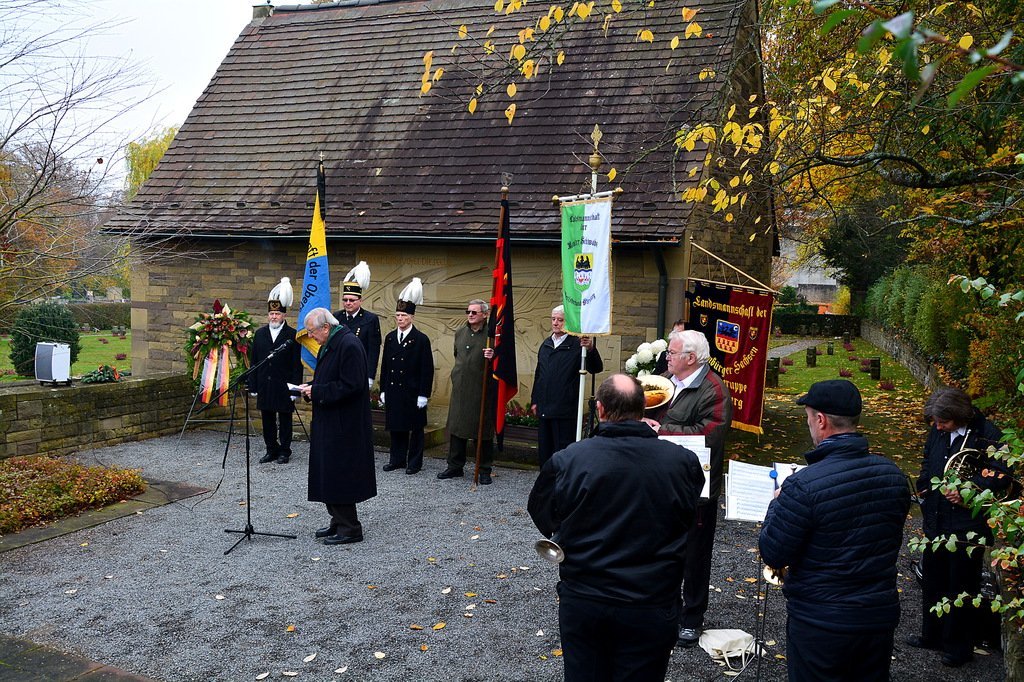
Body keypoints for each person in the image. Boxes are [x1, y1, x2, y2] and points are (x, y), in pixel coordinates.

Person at [528, 374, 704, 682]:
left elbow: (543, 514)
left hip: (587, 596)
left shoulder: (568, 460)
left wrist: (578, 529)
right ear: (644, 410)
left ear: (600, 410)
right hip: (649, 600)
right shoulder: (683, 462)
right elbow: (687, 516)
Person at [759, 380, 911, 681]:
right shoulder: (894, 476)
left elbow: (774, 552)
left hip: (822, 621)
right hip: (877, 617)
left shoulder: (802, 485)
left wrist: (776, 504)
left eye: (808, 419)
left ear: (821, 420)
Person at [644, 329, 731, 647]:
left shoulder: (714, 388)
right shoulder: (666, 378)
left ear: (691, 358)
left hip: (696, 488)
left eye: (672, 352)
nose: (667, 357)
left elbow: (711, 433)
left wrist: (662, 429)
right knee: (659, 548)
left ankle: (691, 618)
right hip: (661, 480)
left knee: (694, 556)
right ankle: (663, 611)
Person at [911, 387, 1006, 667]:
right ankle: (932, 635)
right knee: (933, 579)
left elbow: (1000, 476)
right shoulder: (939, 428)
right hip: (937, 517)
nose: (938, 427)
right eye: (936, 423)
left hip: (968, 524)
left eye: (943, 423)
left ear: (960, 416)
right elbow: (929, 460)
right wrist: (926, 487)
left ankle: (958, 647)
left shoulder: (989, 434)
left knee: (962, 585)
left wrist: (967, 491)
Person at [297, 308, 376, 545]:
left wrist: (317, 390)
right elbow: (331, 378)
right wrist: (311, 387)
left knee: (339, 474)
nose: (310, 337)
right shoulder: (333, 342)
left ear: (325, 327)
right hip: (330, 420)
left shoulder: (348, 344)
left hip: (344, 424)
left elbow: (351, 385)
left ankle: (350, 528)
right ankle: (337, 521)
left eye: (312, 332)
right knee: (328, 473)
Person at [530, 304, 603, 467]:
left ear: (568, 322)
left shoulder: (578, 345)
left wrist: (590, 349)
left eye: (560, 320)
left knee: (562, 452)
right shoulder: (546, 344)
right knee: (545, 452)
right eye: (553, 319)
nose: (556, 323)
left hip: (565, 409)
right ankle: (546, 485)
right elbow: (539, 374)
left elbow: (596, 368)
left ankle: (562, 486)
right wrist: (535, 399)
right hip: (545, 408)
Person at [380, 277, 434, 475]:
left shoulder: (421, 339)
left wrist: (423, 394)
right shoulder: (391, 337)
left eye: (403, 315)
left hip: (412, 391)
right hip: (394, 389)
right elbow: (385, 365)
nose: (400, 318)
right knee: (396, 426)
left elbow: (427, 368)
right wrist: (383, 388)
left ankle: (414, 462)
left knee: (415, 429)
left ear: (411, 317)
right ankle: (397, 459)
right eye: (397, 315)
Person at [438, 298, 496, 485]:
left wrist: (494, 356)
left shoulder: (492, 335)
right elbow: (457, 355)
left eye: (474, 312)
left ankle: (484, 468)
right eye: (468, 312)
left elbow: (504, 366)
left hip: (481, 389)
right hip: (461, 387)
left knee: (483, 430)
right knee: (456, 427)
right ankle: (455, 466)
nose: (470, 315)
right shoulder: (460, 333)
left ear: (484, 315)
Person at [247, 277, 303, 464]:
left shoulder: (292, 335)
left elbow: (297, 364)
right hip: (265, 383)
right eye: (271, 313)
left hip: (283, 384)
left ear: (284, 315)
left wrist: (295, 389)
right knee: (267, 419)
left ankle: (285, 451)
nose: (273, 317)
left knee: (285, 419)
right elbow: (254, 361)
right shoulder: (260, 334)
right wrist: (253, 384)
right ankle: (271, 449)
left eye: (277, 314)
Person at [334, 261, 382, 389]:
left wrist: (370, 375)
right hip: (338, 370)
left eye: (352, 300)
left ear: (360, 301)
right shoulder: (336, 317)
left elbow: (373, 351)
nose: (348, 303)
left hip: (359, 370)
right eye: (345, 300)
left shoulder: (370, 319)